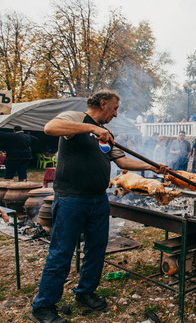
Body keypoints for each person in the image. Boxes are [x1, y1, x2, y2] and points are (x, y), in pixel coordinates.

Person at [30, 90, 167, 323]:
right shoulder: (75, 118)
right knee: (62, 252)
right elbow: (50, 128)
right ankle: (43, 306)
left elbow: (121, 161)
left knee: (96, 249)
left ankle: (85, 292)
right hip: (72, 198)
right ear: (103, 104)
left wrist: (151, 167)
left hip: (98, 199)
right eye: (114, 109)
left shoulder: (107, 134)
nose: (115, 114)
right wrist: (92, 128)